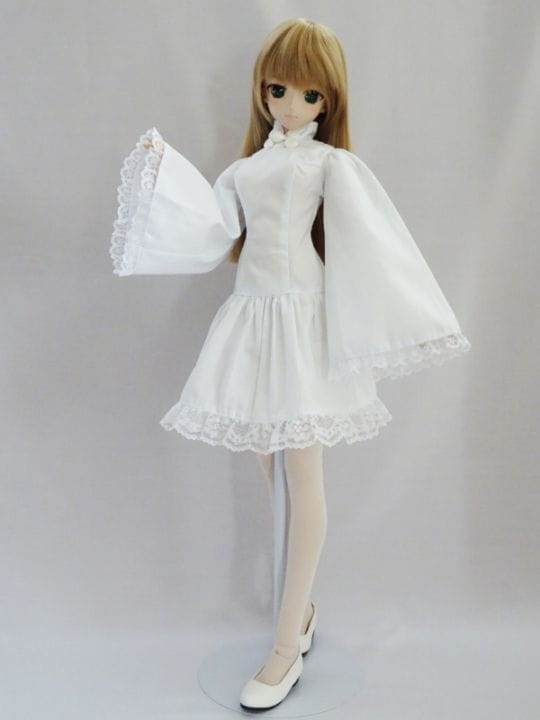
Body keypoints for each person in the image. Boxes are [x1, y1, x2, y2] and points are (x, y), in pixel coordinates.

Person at [109, 17, 471, 711]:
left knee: (302, 475)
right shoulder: (245, 170)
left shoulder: (329, 165)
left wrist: (382, 323)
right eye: (278, 89)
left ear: (327, 101)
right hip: (253, 321)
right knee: (268, 459)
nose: (291, 105)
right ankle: (297, 613)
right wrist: (162, 177)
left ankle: (285, 642)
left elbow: (373, 244)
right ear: (263, 91)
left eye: (308, 94)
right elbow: (211, 232)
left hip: (301, 321)